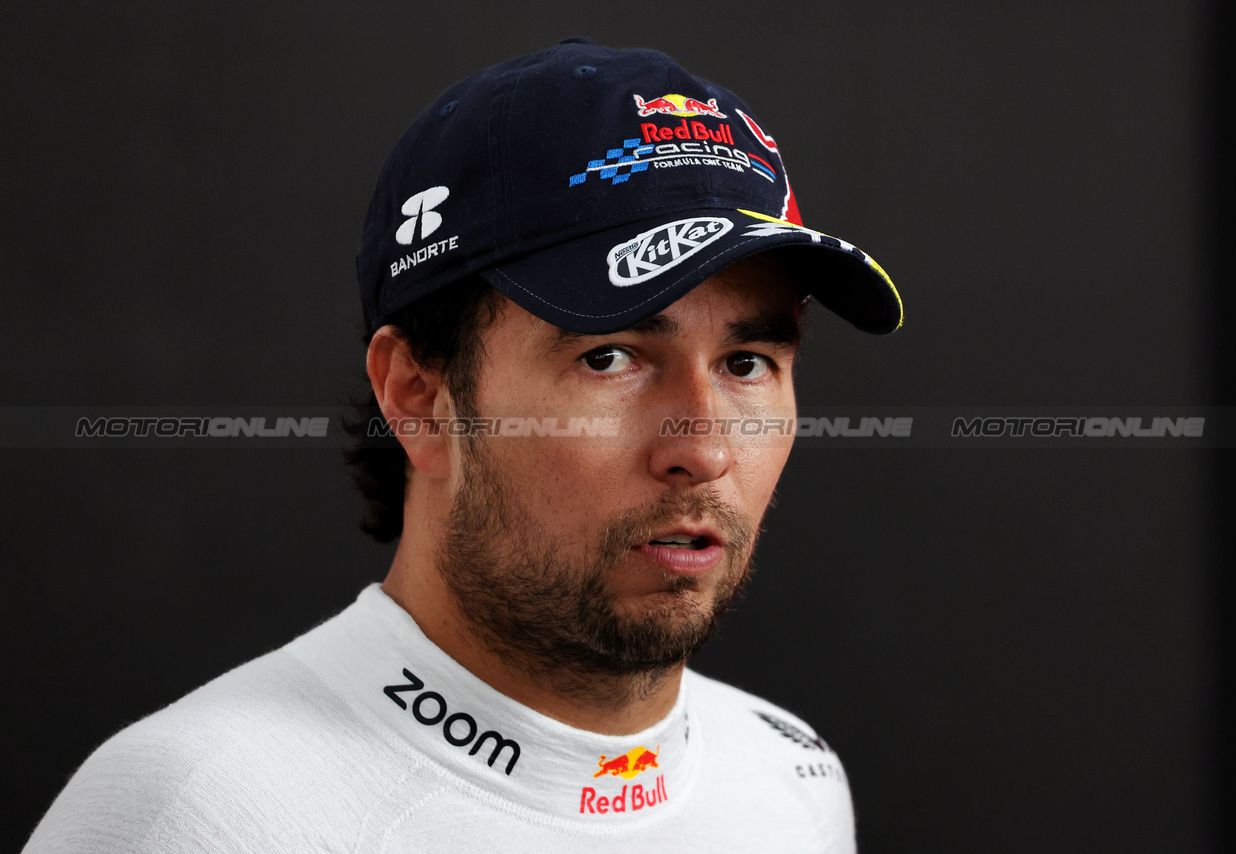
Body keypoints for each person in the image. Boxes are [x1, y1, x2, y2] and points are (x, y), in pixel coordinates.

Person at [24, 39, 901, 853]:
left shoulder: (790, 778)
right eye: (611, 357)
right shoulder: (196, 813)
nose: (704, 450)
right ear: (417, 396)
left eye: (747, 361)